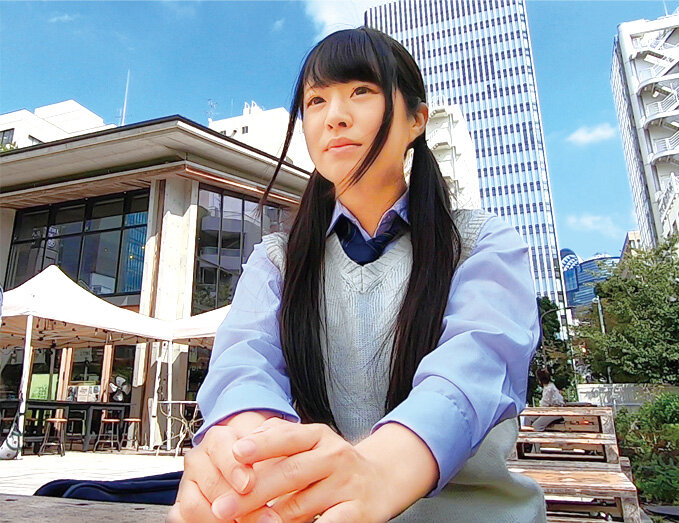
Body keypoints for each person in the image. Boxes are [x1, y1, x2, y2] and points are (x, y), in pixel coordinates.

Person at [169, 27, 546, 522]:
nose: (335, 116)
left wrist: (379, 472)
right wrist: (243, 458)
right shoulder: (278, 260)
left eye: (361, 91)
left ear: (416, 120)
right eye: (316, 100)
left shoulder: (480, 244)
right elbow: (243, 363)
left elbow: (474, 369)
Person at [527, 367, 566, 432]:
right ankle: (526, 435)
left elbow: (545, 404)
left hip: (556, 411)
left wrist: (538, 410)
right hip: (549, 410)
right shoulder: (548, 387)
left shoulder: (549, 388)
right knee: (528, 417)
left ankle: (538, 438)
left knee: (537, 425)